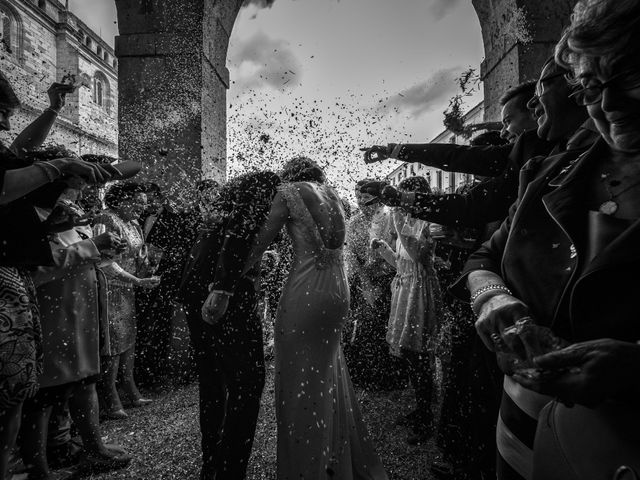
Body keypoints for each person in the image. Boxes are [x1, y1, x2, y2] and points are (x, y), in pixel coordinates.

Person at [452, 0, 640, 477]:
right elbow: (484, 257)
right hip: (521, 421)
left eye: (632, 77)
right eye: (594, 86)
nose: (610, 104)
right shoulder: (551, 172)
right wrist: (491, 299)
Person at [205, 157, 388, 479]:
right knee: (328, 372)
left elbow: (257, 245)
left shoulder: (288, 192)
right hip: (336, 289)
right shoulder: (331, 194)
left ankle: (308, 469)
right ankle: (335, 458)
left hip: (305, 291)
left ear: (289, 175)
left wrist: (224, 286)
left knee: (299, 378)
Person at [0, 73, 116, 480]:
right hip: (20, 293)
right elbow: (11, 171)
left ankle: (46, 464)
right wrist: (58, 166)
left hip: (31, 296)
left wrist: (52, 109)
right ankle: (39, 467)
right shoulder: (32, 197)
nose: (3, 124)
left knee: (23, 395)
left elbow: (16, 152)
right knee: (26, 396)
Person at [19, 162, 131, 479]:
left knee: (85, 384)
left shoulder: (73, 223)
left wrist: (106, 250)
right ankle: (38, 469)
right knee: (42, 400)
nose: (75, 200)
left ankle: (94, 448)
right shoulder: (30, 225)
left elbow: (86, 256)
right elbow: (38, 272)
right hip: (52, 323)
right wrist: (91, 247)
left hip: (81, 322)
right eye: (70, 192)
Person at [181, 171, 280, 480]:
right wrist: (222, 289)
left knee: (213, 384)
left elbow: (226, 243)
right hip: (224, 300)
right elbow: (238, 236)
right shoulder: (255, 201)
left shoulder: (226, 206)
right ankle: (229, 470)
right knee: (248, 384)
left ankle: (212, 463)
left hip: (196, 291)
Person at [372, 176, 442, 445]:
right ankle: (419, 408)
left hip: (420, 292)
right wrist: (385, 250)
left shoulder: (428, 223)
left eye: (405, 195)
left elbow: (418, 256)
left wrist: (399, 218)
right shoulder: (406, 222)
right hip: (405, 288)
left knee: (421, 355)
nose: (400, 201)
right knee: (410, 355)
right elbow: (401, 263)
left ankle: (426, 417)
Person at [95, 182, 160, 420]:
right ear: (121, 200)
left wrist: (149, 264)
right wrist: (135, 279)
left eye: (143, 204)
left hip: (129, 288)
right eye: (137, 203)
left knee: (129, 337)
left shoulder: (133, 223)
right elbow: (102, 261)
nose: (141, 209)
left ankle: (131, 389)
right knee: (113, 343)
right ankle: (110, 397)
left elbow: (138, 254)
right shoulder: (105, 219)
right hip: (109, 287)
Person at [343, 179, 406, 391]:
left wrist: (382, 278)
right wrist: (366, 282)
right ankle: (368, 374)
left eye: (365, 197)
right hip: (364, 280)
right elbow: (351, 254)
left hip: (390, 278)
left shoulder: (391, 218)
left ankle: (392, 374)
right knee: (366, 325)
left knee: (389, 324)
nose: (360, 201)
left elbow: (400, 253)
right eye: (357, 196)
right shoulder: (354, 222)